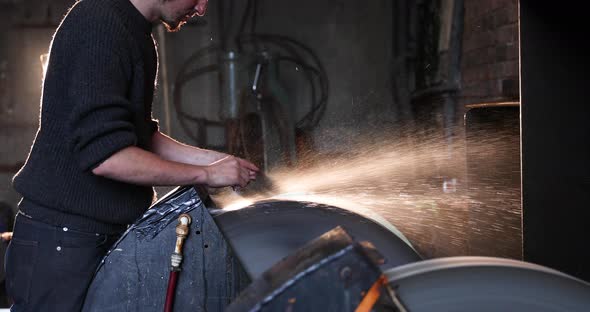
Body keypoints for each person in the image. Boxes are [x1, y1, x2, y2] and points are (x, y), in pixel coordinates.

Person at [5, 0, 258, 310]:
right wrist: (206, 175)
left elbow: (140, 138)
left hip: (99, 236)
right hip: (63, 243)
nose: (202, 8)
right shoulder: (99, 24)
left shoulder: (136, 33)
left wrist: (216, 161)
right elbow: (108, 156)